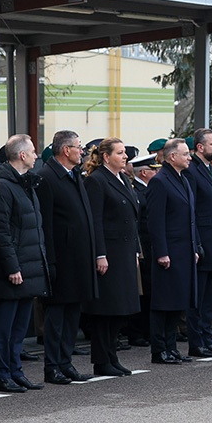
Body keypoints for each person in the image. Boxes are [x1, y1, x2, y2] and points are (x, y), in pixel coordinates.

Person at [0, 134, 50, 393]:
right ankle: (2, 375)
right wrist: (12, 267)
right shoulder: (2, 186)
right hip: (12, 270)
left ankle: (16, 371)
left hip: (28, 267)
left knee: (18, 328)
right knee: (4, 327)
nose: (36, 155)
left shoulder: (25, 184)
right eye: (33, 151)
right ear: (22, 155)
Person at [36, 130, 97, 384]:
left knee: (73, 312)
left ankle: (65, 362)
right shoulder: (47, 177)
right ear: (65, 150)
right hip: (60, 258)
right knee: (57, 315)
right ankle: (52, 366)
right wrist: (49, 262)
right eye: (78, 147)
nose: (82, 151)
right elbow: (45, 225)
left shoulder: (74, 175)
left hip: (78, 257)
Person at [83, 138, 140, 377]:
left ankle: (112, 356)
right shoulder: (96, 180)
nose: (125, 156)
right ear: (106, 157)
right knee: (106, 309)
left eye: (125, 152)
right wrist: (100, 254)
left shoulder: (122, 179)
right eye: (120, 153)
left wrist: (137, 250)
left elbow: (132, 218)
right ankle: (101, 359)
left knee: (121, 309)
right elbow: (94, 221)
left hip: (125, 251)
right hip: (110, 253)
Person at [146, 138, 199, 365]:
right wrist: (161, 252)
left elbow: (190, 218)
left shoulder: (182, 179)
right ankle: (159, 350)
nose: (189, 157)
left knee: (177, 302)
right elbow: (155, 221)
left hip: (183, 251)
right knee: (163, 303)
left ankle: (172, 347)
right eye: (186, 154)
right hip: (169, 252)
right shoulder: (160, 181)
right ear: (172, 157)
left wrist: (194, 247)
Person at [184, 128, 212, 358]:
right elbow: (191, 211)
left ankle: (206, 338)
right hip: (202, 244)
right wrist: (197, 244)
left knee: (210, 295)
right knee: (198, 296)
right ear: (199, 147)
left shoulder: (210, 170)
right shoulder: (192, 170)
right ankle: (196, 342)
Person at [128, 153, 161, 348]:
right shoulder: (137, 192)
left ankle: (147, 330)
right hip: (143, 247)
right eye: (154, 169)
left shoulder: (148, 190)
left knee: (150, 291)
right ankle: (137, 332)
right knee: (142, 291)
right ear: (145, 172)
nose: (157, 172)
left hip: (151, 246)